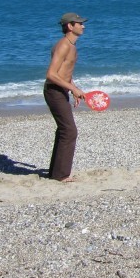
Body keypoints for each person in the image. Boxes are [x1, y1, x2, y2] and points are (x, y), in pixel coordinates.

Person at [44, 12, 88, 181]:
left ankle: (56, 172)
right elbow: (51, 74)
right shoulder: (63, 46)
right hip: (53, 90)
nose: (83, 26)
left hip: (61, 89)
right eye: (79, 23)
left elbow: (65, 72)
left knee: (64, 130)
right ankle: (61, 175)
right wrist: (71, 88)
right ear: (70, 26)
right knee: (69, 131)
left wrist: (73, 88)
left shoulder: (71, 46)